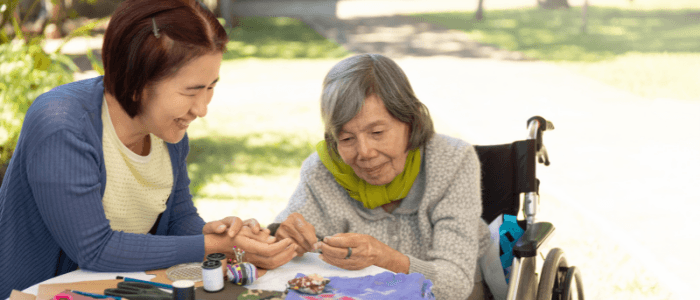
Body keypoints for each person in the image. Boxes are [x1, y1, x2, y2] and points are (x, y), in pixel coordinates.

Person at [0, 0, 297, 297]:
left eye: (211, 87)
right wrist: (212, 246)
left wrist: (219, 234)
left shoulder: (168, 131)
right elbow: (95, 249)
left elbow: (178, 219)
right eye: (191, 91)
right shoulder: (62, 124)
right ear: (136, 80)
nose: (202, 108)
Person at [273, 54, 492, 299]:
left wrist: (384, 258)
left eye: (377, 132)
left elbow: (455, 284)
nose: (364, 153)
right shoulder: (323, 170)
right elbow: (284, 241)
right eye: (346, 139)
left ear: (411, 122)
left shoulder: (452, 160)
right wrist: (282, 236)